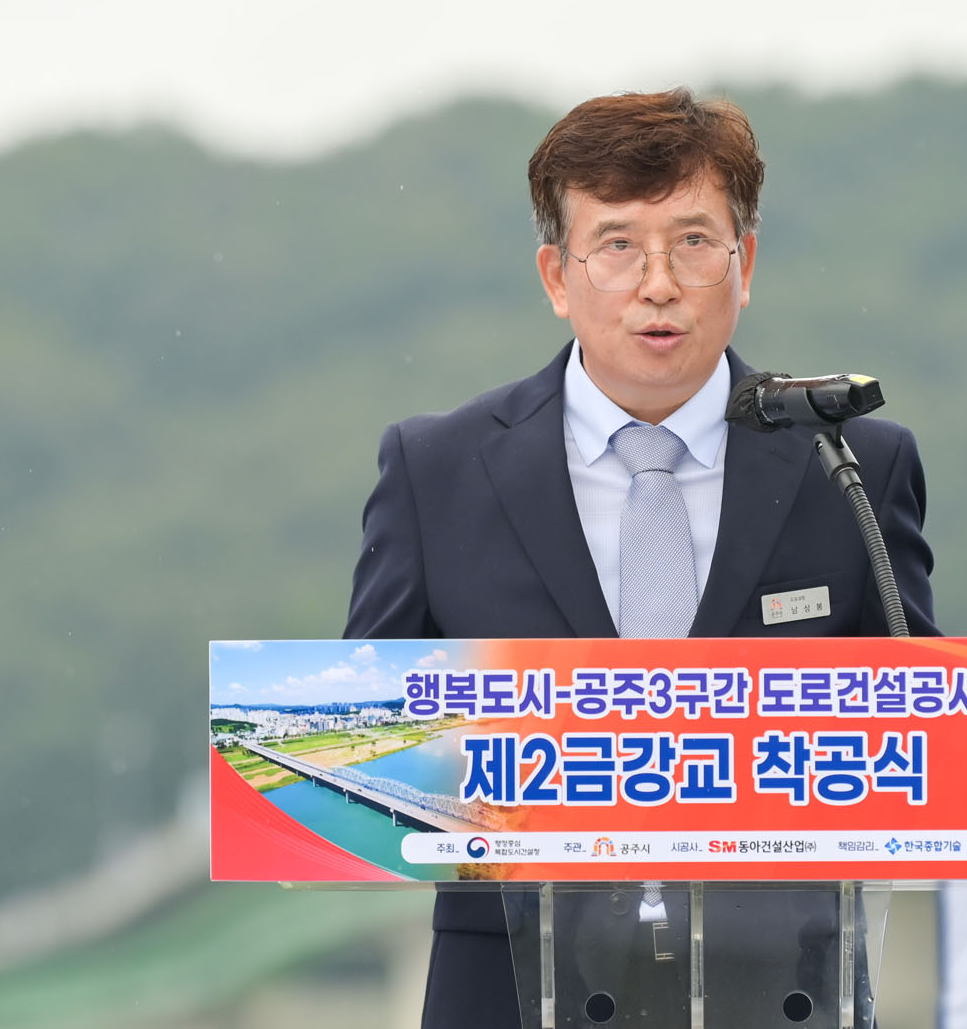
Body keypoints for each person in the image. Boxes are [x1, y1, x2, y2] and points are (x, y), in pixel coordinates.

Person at [345, 88, 936, 1028]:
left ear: (744, 265)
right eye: (617, 245)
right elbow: (363, 745)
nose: (658, 283)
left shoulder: (851, 463)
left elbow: (928, 734)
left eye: (694, 242)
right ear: (557, 276)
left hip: (780, 985)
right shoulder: (437, 469)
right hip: (508, 990)